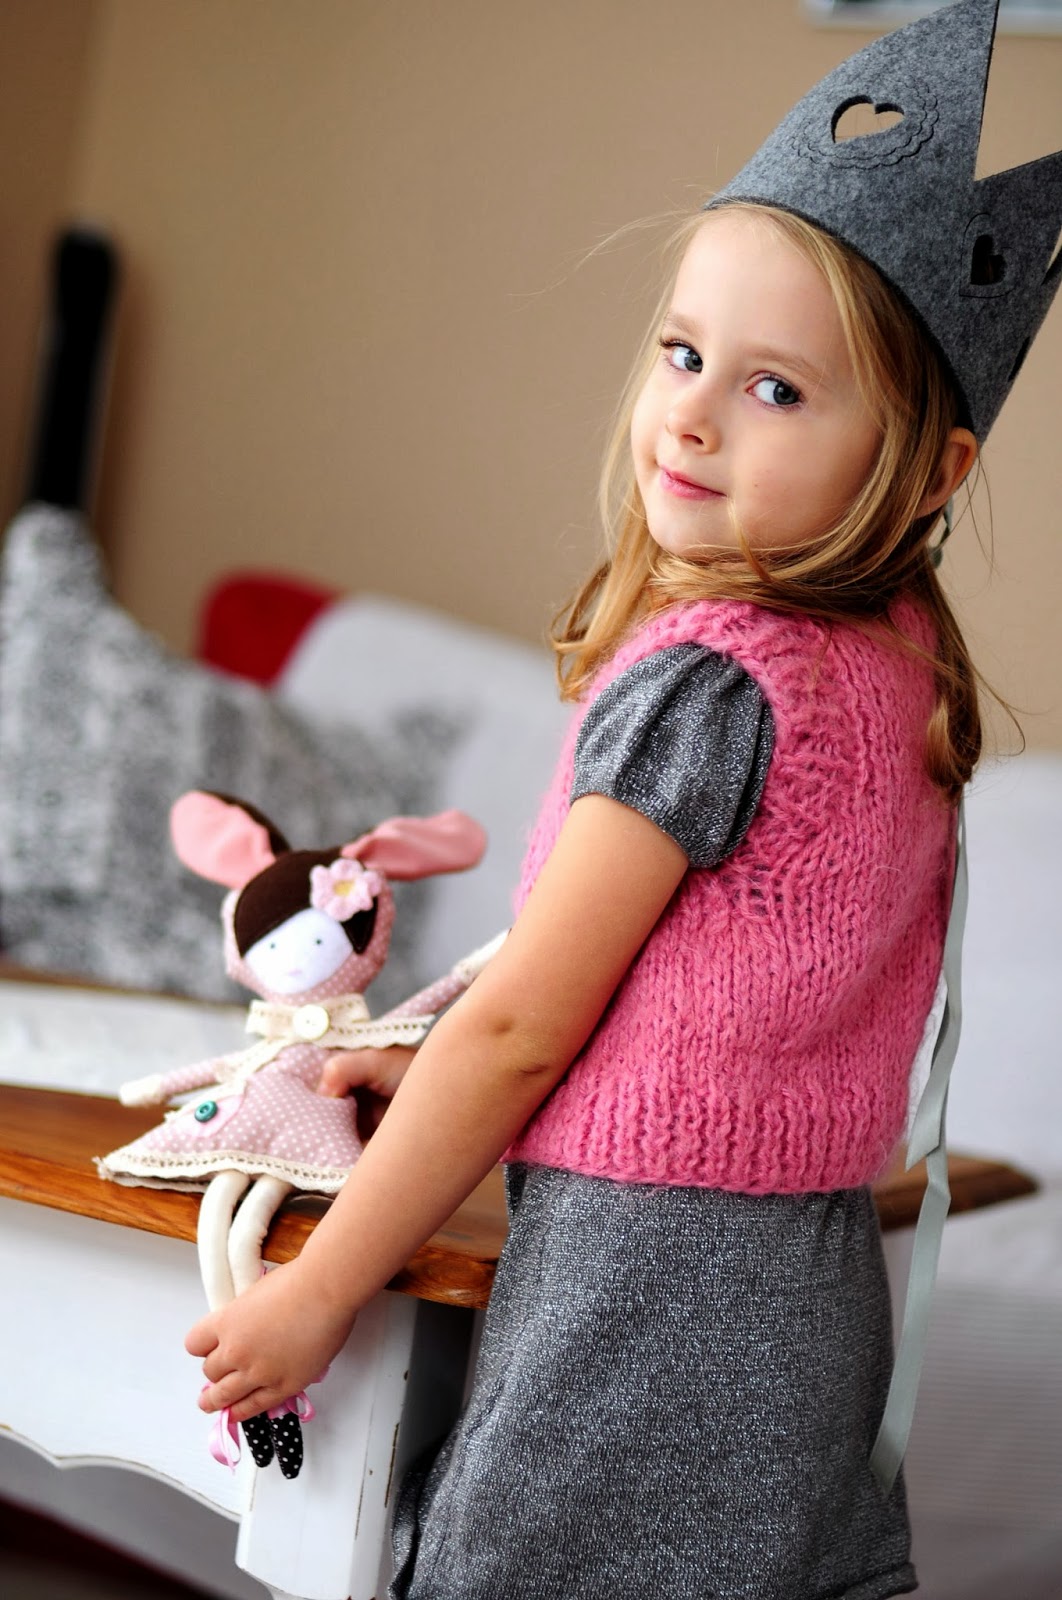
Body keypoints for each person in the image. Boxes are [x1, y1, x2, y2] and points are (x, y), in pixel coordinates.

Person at [187, 2, 1061, 1594]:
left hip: (647, 1290)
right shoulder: (896, 661)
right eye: (681, 352)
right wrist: (428, 1051)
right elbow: (684, 990)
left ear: (928, 469)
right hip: (810, 1289)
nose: (694, 412)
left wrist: (319, 1292)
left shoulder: (712, 682)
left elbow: (528, 1026)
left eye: (777, 390)